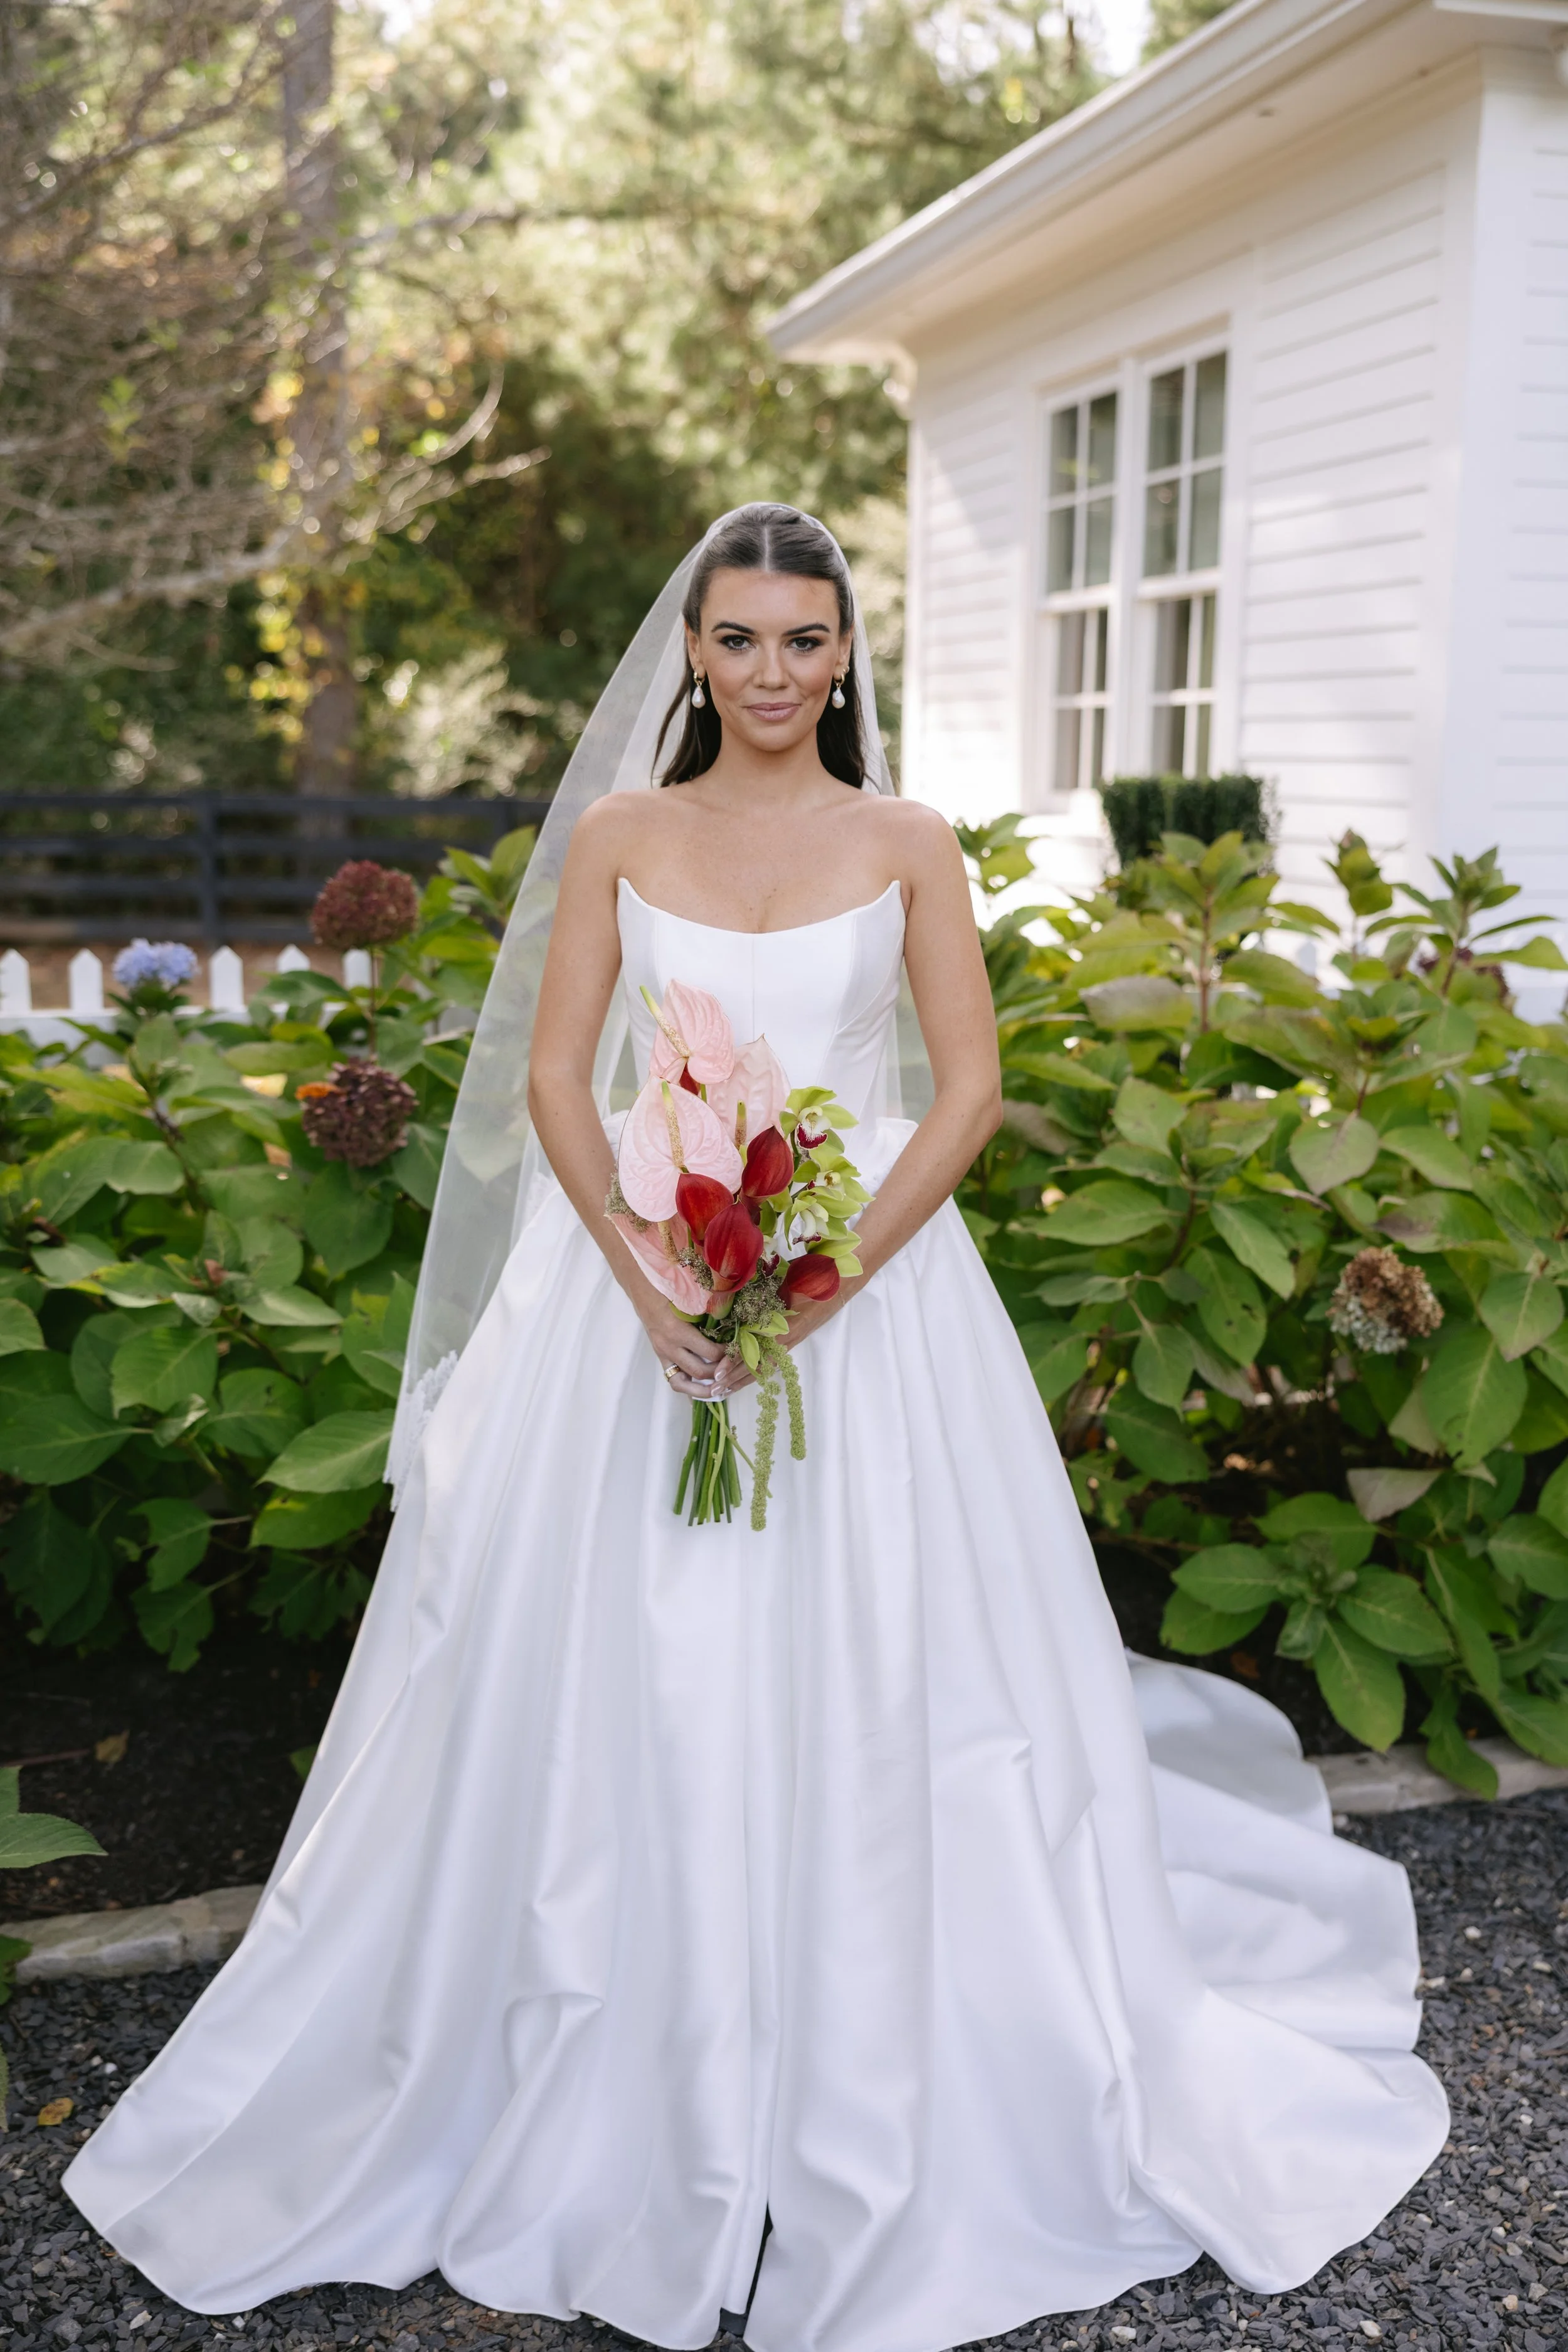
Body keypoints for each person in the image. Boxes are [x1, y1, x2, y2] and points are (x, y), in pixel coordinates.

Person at [65, 504, 1448, 2352]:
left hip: (863, 1296)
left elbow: (965, 1091)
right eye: (741, 638)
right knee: (630, 1659)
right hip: (635, 1273)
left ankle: (879, 2039)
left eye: (807, 638)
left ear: (847, 655)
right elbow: (561, 1071)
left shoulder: (907, 841)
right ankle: (623, 2045)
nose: (774, 670)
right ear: (695, 653)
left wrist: (815, 1283)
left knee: (890, 1667)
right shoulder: (627, 834)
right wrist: (653, 1280)